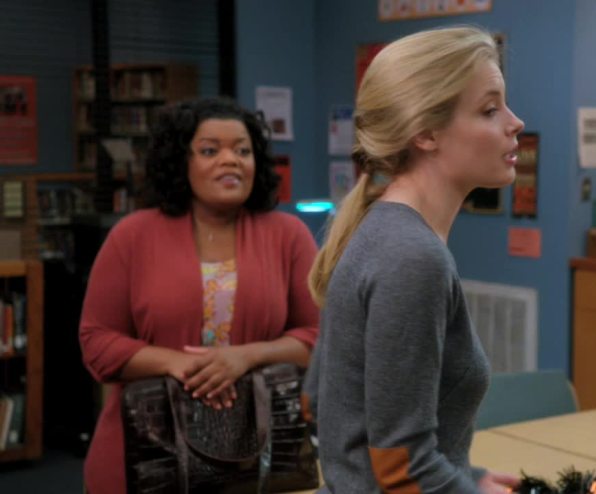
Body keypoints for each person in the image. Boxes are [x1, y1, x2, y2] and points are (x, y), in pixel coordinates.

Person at [304, 26, 524, 493]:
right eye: (489, 109)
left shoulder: (379, 230)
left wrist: (467, 479)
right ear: (425, 133)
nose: (515, 122)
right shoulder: (412, 257)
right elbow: (403, 468)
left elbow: (320, 404)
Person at [79, 97, 319, 493]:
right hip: (147, 455)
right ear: (181, 161)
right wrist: (178, 363)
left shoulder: (289, 236)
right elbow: (97, 342)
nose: (231, 160)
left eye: (242, 151)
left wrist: (245, 356)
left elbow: (318, 337)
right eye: (210, 151)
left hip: (257, 460)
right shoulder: (131, 236)